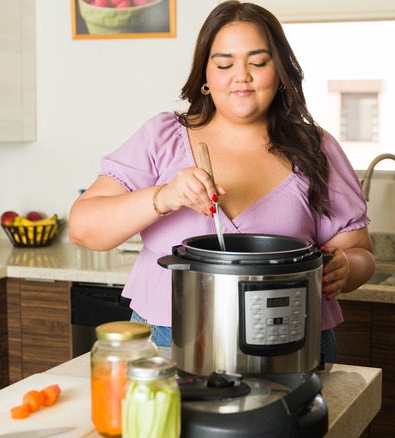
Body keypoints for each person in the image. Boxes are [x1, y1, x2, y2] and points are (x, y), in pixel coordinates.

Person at [69, 1, 375, 363]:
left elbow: (361, 252)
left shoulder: (315, 147)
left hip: (290, 340)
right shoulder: (163, 137)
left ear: (280, 73)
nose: (241, 76)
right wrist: (163, 197)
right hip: (169, 336)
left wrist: (347, 267)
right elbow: (83, 228)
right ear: (205, 77)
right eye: (225, 64)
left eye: (258, 62)